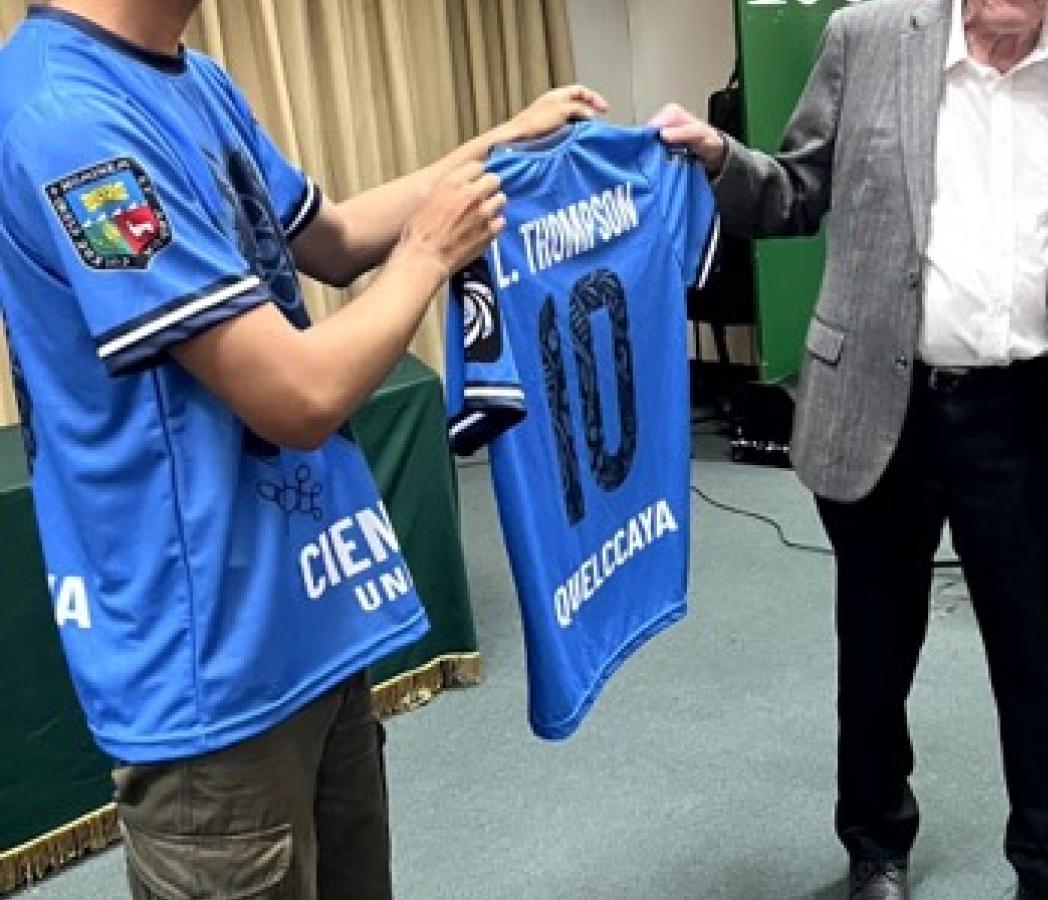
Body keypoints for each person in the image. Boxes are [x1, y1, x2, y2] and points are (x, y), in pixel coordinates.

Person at [0, 2, 604, 898]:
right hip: (208, 667)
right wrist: (430, 255)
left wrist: (499, 144)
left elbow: (333, 237)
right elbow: (298, 396)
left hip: (305, 613)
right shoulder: (67, 116)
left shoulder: (192, 77)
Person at [652, 1, 1048, 897]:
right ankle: (875, 845)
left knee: (1034, 651)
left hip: (1023, 409)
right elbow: (793, 191)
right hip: (884, 402)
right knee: (876, 647)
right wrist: (721, 158)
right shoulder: (867, 38)